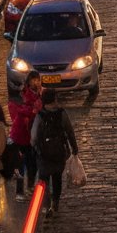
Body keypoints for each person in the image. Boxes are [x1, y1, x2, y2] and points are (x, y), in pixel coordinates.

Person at [31, 89, 78, 218]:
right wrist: (74, 148)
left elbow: (34, 137)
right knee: (57, 179)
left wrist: (35, 148)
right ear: (55, 99)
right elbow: (69, 131)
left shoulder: (40, 116)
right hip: (59, 152)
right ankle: (55, 202)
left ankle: (46, 206)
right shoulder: (62, 114)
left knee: (43, 180)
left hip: (44, 155)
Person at [8, 72, 42, 201]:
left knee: (32, 163)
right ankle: (20, 191)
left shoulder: (39, 95)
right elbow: (17, 110)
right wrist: (32, 112)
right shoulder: (24, 96)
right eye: (33, 80)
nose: (36, 83)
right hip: (21, 135)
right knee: (21, 165)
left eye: (38, 80)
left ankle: (30, 186)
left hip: (31, 137)